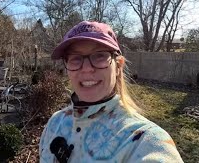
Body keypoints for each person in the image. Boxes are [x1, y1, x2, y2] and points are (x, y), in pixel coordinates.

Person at [39, 21, 184, 163]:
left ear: (118, 66)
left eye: (99, 56)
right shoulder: (55, 122)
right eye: (76, 58)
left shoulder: (144, 140)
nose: (87, 68)